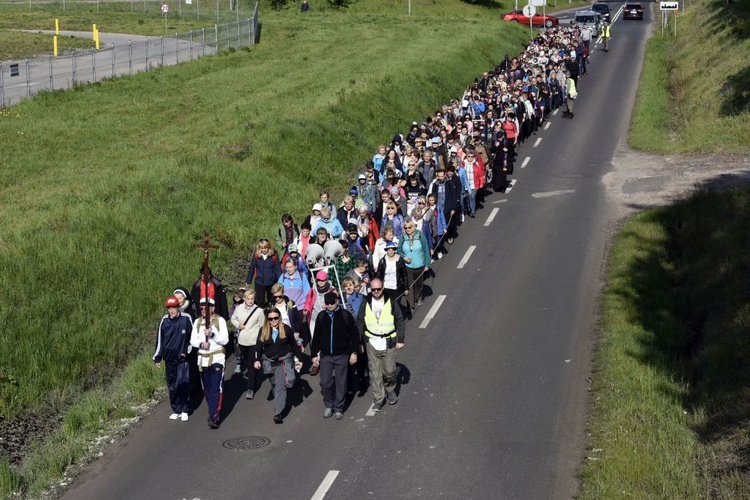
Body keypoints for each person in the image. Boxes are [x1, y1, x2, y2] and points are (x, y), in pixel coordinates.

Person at [356, 278, 405, 411]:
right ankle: (378, 399)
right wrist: (362, 340)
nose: (376, 291)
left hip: (388, 342)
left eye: (378, 289)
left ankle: (390, 390)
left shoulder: (391, 301)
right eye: (373, 289)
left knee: (389, 371)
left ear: (383, 288)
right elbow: (360, 321)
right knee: (375, 374)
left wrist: (400, 339)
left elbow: (400, 320)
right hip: (372, 343)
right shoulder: (365, 302)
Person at [311, 293, 360, 420]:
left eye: (331, 303)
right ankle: (328, 405)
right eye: (326, 304)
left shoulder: (345, 315)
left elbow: (354, 335)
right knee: (325, 382)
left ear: (337, 302)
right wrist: (314, 355)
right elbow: (316, 337)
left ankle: (338, 408)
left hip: (342, 355)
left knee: (340, 382)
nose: (329, 306)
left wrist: (354, 352)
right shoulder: (322, 316)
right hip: (326, 356)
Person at [253, 308, 302, 424]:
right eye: (270, 318)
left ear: (279, 317)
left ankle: (278, 412)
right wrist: (256, 360)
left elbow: (294, 345)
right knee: (274, 384)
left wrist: (299, 358)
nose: (273, 320)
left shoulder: (286, 329)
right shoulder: (263, 330)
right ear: (267, 319)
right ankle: (279, 401)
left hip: (283, 360)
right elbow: (258, 346)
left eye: (276, 318)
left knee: (280, 385)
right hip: (269, 361)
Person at [190, 297, 229, 429]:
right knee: (206, 389)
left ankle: (214, 416)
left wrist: (212, 335)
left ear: (212, 308)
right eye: (201, 308)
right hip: (202, 359)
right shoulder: (197, 322)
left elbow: (225, 340)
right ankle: (213, 410)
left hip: (217, 359)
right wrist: (201, 343)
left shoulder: (220, 321)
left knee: (215, 388)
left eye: (206, 307)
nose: (203, 310)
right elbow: (192, 340)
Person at [153, 296, 194, 422]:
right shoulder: (164, 321)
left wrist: (186, 351)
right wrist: (157, 357)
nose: (172, 310)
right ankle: (176, 409)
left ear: (178, 307)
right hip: (169, 359)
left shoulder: (186, 319)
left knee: (182, 383)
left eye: (174, 307)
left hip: (182, 359)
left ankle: (184, 409)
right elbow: (160, 339)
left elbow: (192, 337)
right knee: (172, 385)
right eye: (169, 308)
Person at [230, 289, 264, 400]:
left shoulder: (259, 311)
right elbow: (233, 318)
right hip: (242, 340)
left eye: (252, 298)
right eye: (248, 298)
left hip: (254, 341)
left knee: (251, 363)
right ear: (244, 298)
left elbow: (262, 326)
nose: (250, 301)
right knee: (246, 361)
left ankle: (250, 388)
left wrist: (260, 339)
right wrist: (238, 324)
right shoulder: (239, 309)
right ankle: (255, 374)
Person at [397, 221, 431, 312]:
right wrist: (404, 257)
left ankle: (418, 296)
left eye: (410, 227)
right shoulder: (402, 237)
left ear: (414, 227)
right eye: (406, 228)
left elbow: (425, 249)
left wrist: (427, 264)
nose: (408, 229)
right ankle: (410, 305)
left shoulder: (420, 236)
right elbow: (399, 250)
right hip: (408, 266)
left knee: (419, 284)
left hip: (419, 265)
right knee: (409, 285)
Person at [245, 239, 282, 308]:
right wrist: (248, 281)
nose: (264, 250)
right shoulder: (257, 255)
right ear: (259, 248)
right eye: (262, 248)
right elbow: (252, 267)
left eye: (265, 248)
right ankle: (261, 314)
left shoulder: (273, 254)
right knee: (260, 301)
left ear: (268, 247)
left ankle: (271, 313)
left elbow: (278, 269)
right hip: (259, 281)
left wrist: (280, 282)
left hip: (271, 281)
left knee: (272, 300)